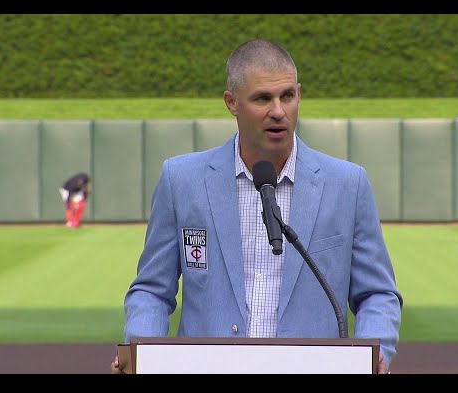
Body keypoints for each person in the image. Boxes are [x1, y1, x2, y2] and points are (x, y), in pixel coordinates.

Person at [112, 39, 402, 373]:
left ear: (299, 95)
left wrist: (375, 351)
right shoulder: (181, 180)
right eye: (263, 98)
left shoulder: (348, 185)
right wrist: (141, 353)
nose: (278, 111)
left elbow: (378, 294)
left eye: (287, 96)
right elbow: (152, 290)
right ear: (231, 102)